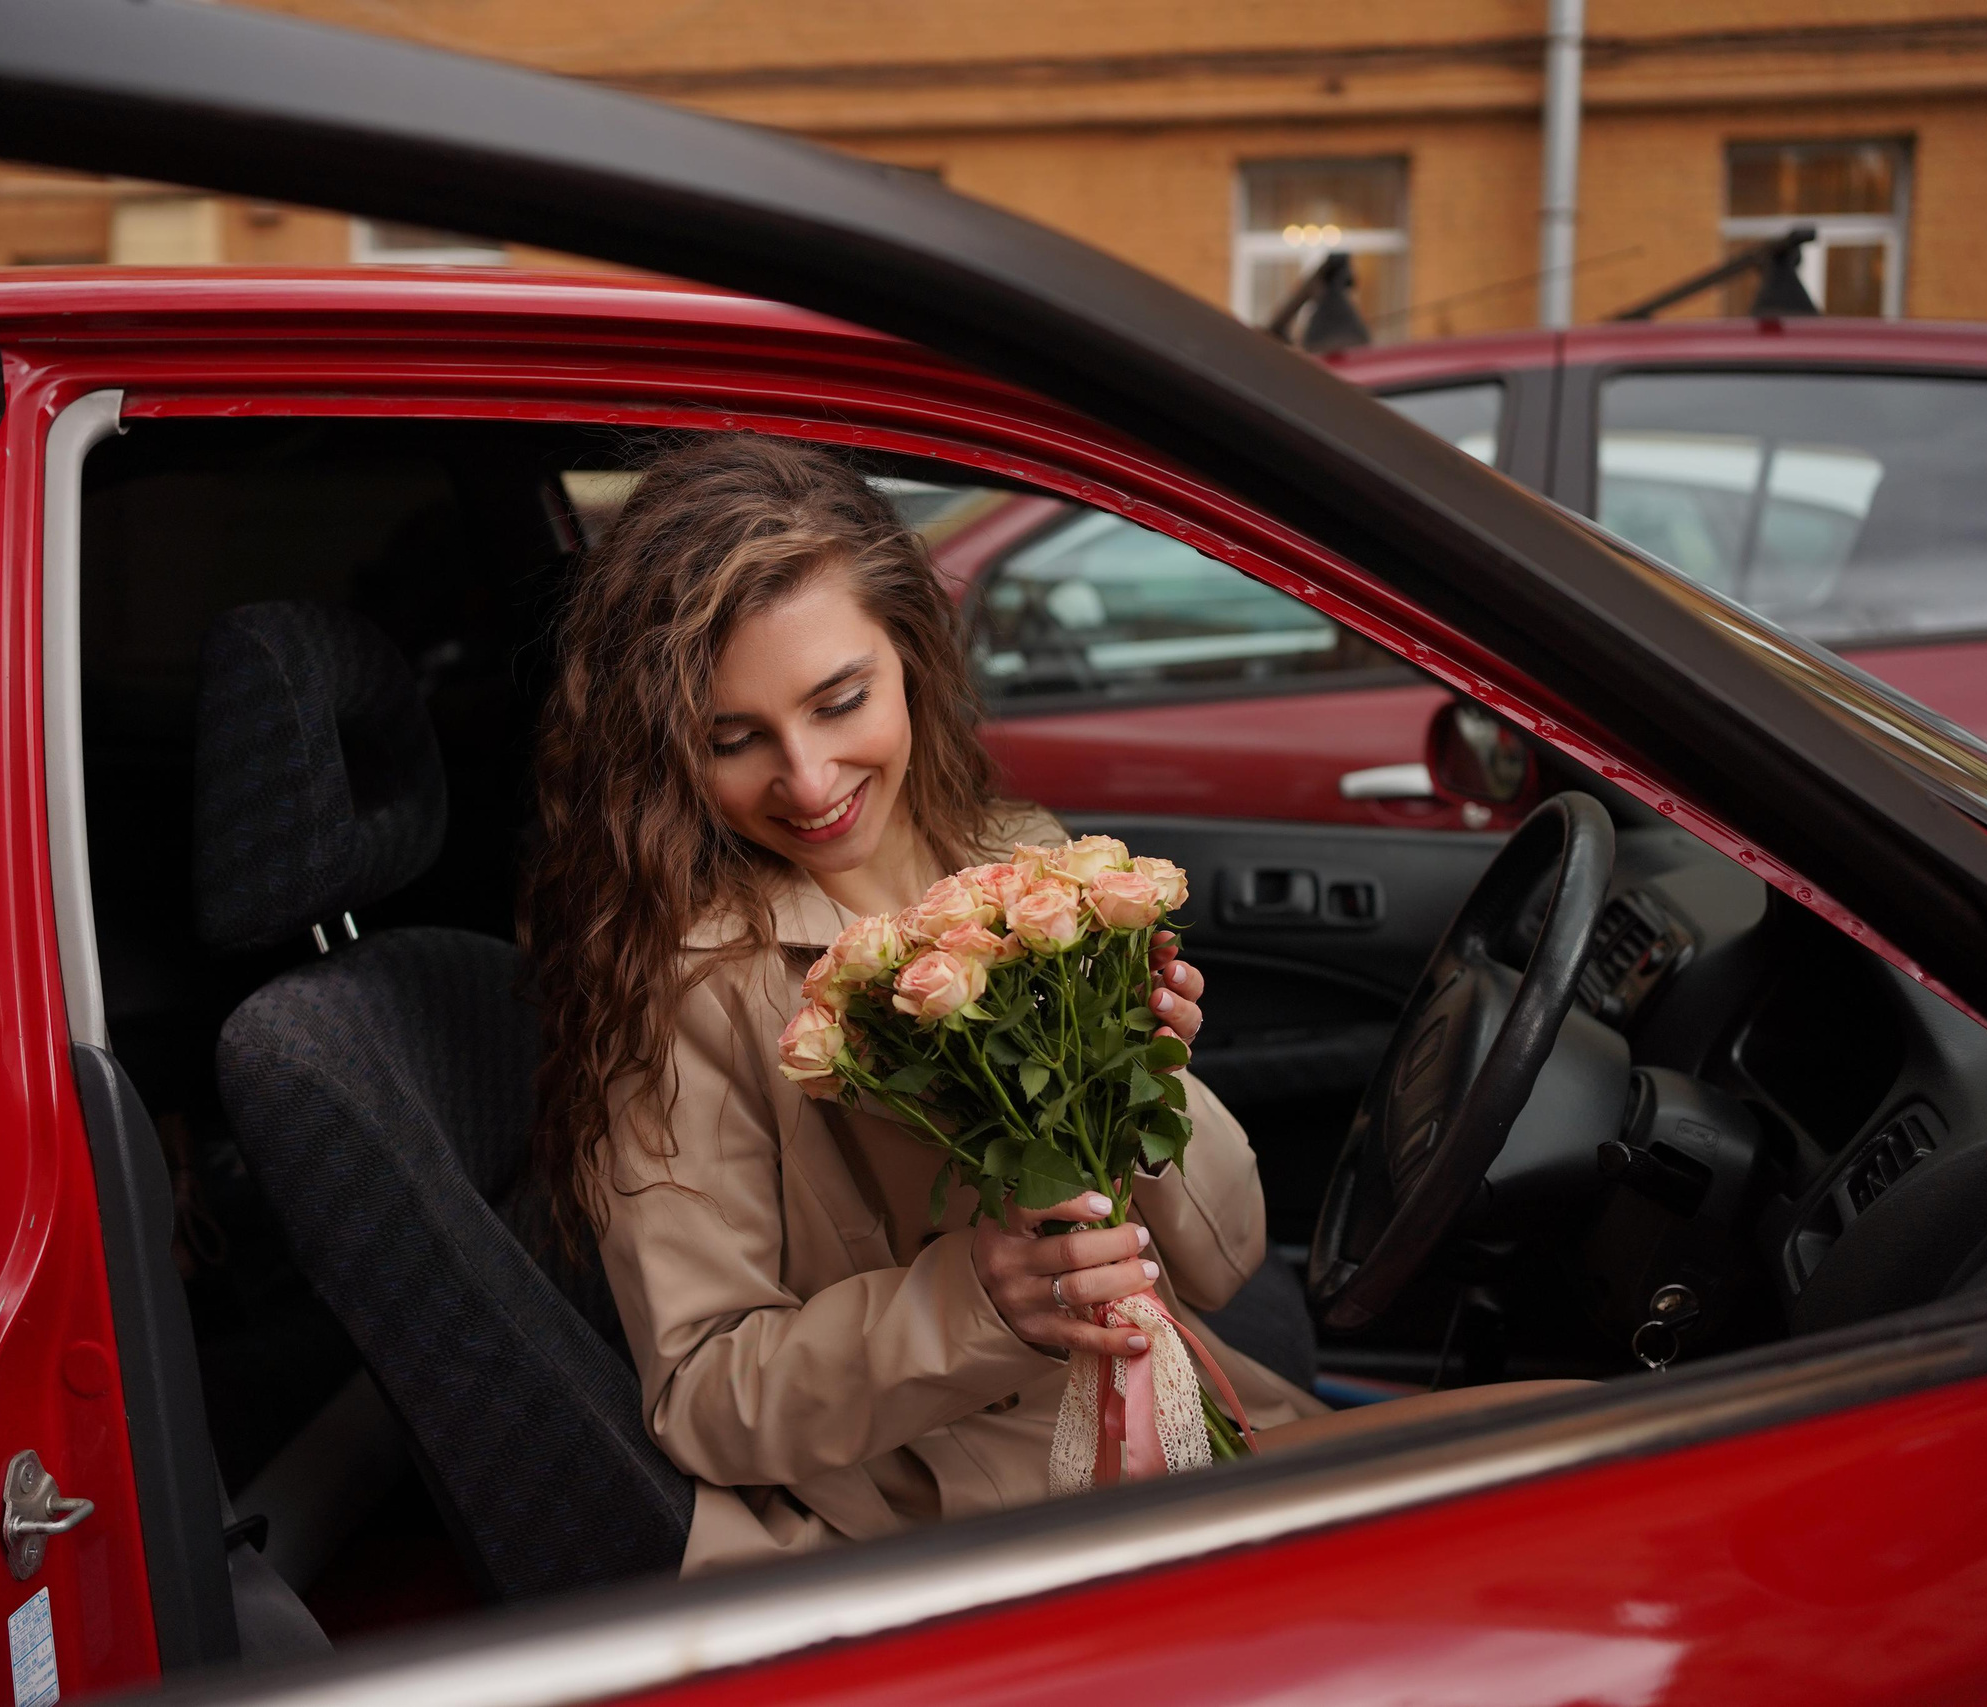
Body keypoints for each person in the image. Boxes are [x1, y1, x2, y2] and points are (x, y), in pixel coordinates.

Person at [520, 434, 1571, 1574]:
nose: (809, 780)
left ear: (910, 651)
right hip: (976, 1524)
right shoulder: (686, 982)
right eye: (736, 741)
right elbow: (703, 1394)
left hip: (1185, 1419)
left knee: (1575, 1435)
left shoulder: (1022, 864)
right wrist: (976, 1303)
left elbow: (1222, 1263)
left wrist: (1144, 1071)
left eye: (840, 702)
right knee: (1581, 1464)